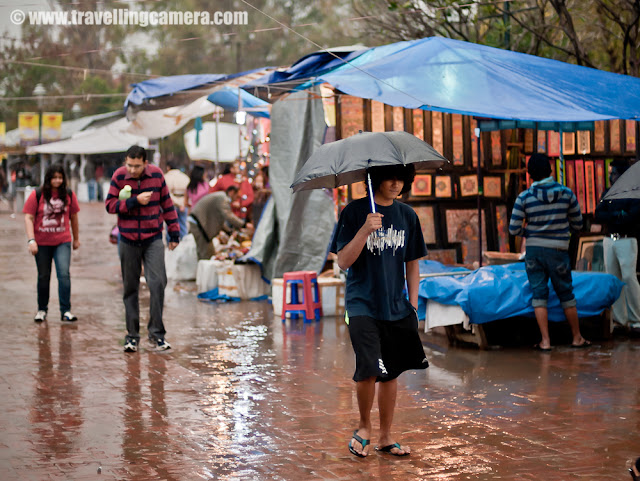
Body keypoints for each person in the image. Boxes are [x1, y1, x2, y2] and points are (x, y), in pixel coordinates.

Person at [330, 164, 429, 458]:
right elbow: (343, 262)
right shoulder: (354, 212)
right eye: (390, 177)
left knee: (391, 373)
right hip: (361, 304)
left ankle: (386, 436)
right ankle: (364, 428)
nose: (396, 183)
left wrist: (412, 304)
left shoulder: (408, 216)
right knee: (369, 368)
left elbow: (412, 262)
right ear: (375, 180)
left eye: (402, 178)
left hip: (396, 306)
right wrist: (364, 230)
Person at [509, 153, 590, 351]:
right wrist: (561, 230)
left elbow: (513, 229)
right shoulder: (566, 193)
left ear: (530, 175)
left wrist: (530, 232)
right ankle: (577, 337)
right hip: (559, 249)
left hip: (534, 251)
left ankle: (545, 341)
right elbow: (578, 223)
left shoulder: (524, 197)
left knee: (539, 294)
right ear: (551, 171)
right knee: (565, 292)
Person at [105, 145, 180, 353]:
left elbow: (167, 205)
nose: (132, 170)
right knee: (130, 288)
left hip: (153, 238)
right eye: (129, 165)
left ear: (145, 163)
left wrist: (174, 233)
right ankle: (131, 336)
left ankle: (156, 334)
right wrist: (133, 201)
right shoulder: (119, 176)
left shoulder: (156, 175)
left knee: (158, 283)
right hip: (127, 239)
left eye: (137, 166)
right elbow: (110, 205)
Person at [23, 163, 80, 322]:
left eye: (60, 177)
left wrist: (76, 239)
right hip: (41, 243)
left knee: (64, 274)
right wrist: (31, 239)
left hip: (63, 241)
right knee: (43, 276)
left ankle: (66, 310)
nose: (57, 181)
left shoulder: (68, 194)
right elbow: (28, 217)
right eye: (54, 177)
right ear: (48, 178)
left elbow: (74, 217)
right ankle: (42, 310)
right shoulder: (38, 194)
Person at [594, 159, 640, 331]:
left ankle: (636, 320)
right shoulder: (608, 192)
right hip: (610, 239)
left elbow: (633, 216)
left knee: (629, 277)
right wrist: (618, 215)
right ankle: (620, 320)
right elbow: (598, 214)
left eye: (613, 173)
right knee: (614, 279)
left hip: (627, 239)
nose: (610, 176)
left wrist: (613, 215)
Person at [188, 186, 248, 260]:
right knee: (205, 254)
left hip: (201, 225)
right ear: (232, 192)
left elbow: (220, 220)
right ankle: (204, 271)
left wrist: (228, 231)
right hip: (199, 225)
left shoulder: (221, 197)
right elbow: (228, 215)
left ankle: (205, 269)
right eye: (237, 197)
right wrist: (243, 224)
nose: (237, 199)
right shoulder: (223, 198)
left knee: (209, 253)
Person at [164, 160, 190, 239]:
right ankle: (185, 245)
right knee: (182, 226)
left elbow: (166, 193)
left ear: (168, 167)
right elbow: (188, 192)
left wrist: (177, 202)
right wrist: (182, 203)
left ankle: (171, 247)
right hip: (183, 203)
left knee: (170, 226)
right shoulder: (185, 177)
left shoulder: (166, 177)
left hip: (172, 204)